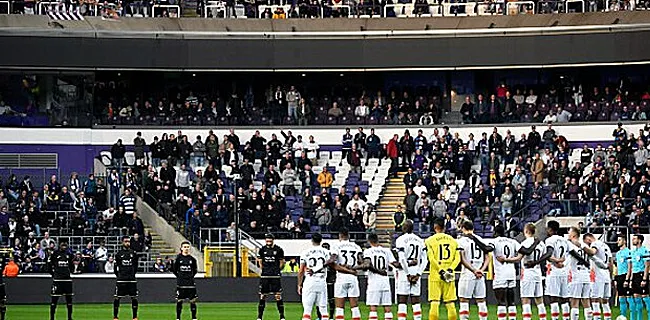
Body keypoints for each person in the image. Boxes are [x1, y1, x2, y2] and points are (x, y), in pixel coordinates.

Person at [497, 224, 547, 320]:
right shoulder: (541, 244)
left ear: (526, 231)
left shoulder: (525, 243)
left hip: (528, 273)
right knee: (540, 300)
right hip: (538, 273)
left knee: (526, 300)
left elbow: (518, 258)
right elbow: (544, 257)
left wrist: (506, 260)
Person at [424, 218, 460, 320]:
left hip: (436, 274)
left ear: (435, 227)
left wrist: (440, 270)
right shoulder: (453, 241)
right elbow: (457, 258)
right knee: (450, 302)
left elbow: (431, 258)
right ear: (444, 227)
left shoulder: (429, 241)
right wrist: (450, 269)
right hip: (449, 273)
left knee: (435, 302)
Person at [457, 221, 493, 320]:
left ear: (463, 228)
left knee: (464, 300)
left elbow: (462, 258)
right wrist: (481, 270)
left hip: (468, 271)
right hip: (480, 273)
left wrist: (473, 270)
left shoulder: (461, 241)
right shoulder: (481, 239)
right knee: (481, 300)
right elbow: (488, 257)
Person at [357, 233, 396, 320]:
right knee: (387, 307)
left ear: (369, 241)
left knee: (373, 307)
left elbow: (366, 265)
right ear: (377, 240)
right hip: (385, 281)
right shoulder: (386, 250)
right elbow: (394, 263)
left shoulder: (368, 251)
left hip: (374, 281)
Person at [394, 220, 427, 320]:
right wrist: (418, 274)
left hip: (405, 271)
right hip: (416, 270)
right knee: (416, 300)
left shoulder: (400, 239)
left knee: (402, 299)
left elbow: (402, 259)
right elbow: (425, 260)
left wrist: (408, 274)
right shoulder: (420, 240)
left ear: (404, 228)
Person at [331, 229, 363, 320]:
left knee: (340, 308)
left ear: (340, 235)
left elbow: (332, 260)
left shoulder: (336, 246)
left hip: (341, 277)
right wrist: (353, 268)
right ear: (348, 235)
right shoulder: (356, 247)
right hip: (353, 278)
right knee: (355, 307)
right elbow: (362, 262)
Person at [489, 225, 520, 320]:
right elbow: (523, 251)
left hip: (500, 274)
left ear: (496, 232)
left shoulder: (495, 241)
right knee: (511, 301)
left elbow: (488, 249)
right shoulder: (513, 241)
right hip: (511, 273)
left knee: (501, 301)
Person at [297, 233, 331, 320]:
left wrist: (299, 285)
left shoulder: (306, 252)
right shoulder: (327, 252)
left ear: (312, 240)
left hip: (310, 281)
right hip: (322, 282)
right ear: (321, 241)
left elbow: (301, 271)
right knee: (323, 310)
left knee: (307, 310)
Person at [565, 227, 596, 320]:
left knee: (574, 302)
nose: (568, 234)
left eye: (569, 233)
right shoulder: (584, 245)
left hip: (576, 275)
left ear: (574, 235)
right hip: (586, 275)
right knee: (586, 301)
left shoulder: (571, 245)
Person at [543, 220, 572, 320]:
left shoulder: (549, 240)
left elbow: (548, 254)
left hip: (554, 271)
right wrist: (563, 263)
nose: (546, 230)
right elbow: (570, 254)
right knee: (565, 298)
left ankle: (555, 318)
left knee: (553, 298)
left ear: (550, 229)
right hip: (564, 272)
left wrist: (556, 261)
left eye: (547, 228)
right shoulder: (565, 240)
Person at [582, 233, 613, 320]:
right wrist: (610, 277)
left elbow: (592, 252)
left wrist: (583, 247)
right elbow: (611, 262)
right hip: (606, 275)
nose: (588, 245)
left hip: (597, 275)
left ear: (588, 239)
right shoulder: (606, 245)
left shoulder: (595, 244)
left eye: (587, 243)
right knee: (605, 301)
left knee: (595, 300)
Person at [256, 233, 286, 320]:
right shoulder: (262, 249)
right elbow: (260, 261)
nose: (268, 241)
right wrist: (264, 270)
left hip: (275, 276)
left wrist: (277, 270)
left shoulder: (279, 249)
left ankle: (282, 316)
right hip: (265, 275)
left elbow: (281, 262)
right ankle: (259, 317)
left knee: (278, 295)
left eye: (270, 240)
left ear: (273, 240)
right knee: (263, 295)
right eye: (267, 240)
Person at [113, 236, 139, 320]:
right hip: (121, 279)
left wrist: (132, 274)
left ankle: (134, 316)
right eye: (125, 241)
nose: (127, 243)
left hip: (131, 279)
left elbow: (135, 266)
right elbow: (115, 267)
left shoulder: (133, 253)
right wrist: (120, 275)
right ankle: (115, 316)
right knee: (117, 297)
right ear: (122, 242)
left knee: (134, 297)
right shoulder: (119, 254)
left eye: (128, 241)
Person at [47, 241, 74, 320]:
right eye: (62, 245)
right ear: (59, 246)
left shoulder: (69, 254)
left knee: (69, 301)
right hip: (58, 281)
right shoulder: (55, 254)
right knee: (54, 301)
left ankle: (69, 317)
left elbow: (71, 267)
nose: (64, 246)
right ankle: (52, 318)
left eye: (65, 245)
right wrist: (54, 274)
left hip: (67, 280)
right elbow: (49, 265)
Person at [173, 241, 198, 320]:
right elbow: (174, 270)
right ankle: (178, 318)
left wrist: (189, 276)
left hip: (190, 283)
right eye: (184, 247)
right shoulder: (178, 259)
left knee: (193, 301)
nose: (186, 249)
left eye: (187, 247)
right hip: (181, 283)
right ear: (181, 248)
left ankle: (194, 317)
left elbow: (195, 270)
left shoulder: (192, 259)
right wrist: (180, 277)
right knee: (179, 300)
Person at [629, 234, 650, 320]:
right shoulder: (633, 252)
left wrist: (644, 279)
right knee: (637, 298)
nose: (633, 240)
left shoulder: (644, 251)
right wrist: (631, 280)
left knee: (645, 298)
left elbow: (647, 266)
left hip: (641, 275)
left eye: (634, 239)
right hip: (635, 276)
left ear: (639, 240)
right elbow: (632, 267)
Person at [316, 242, 336, 320]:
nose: (325, 249)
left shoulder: (331, 258)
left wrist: (333, 278)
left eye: (326, 247)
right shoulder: (319, 257)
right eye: (323, 247)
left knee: (331, 298)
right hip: (320, 279)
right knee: (319, 298)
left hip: (330, 279)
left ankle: (331, 316)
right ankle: (319, 316)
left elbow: (334, 268)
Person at [615, 235, 632, 320]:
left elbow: (630, 267)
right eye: (617, 240)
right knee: (621, 298)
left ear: (624, 241)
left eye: (619, 240)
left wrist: (627, 279)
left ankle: (633, 317)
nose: (617, 242)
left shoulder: (628, 252)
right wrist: (616, 278)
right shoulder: (618, 253)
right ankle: (623, 316)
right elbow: (618, 266)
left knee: (629, 298)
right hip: (619, 277)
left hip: (626, 276)